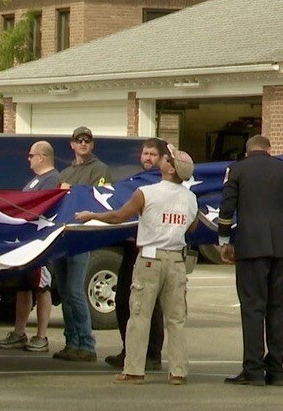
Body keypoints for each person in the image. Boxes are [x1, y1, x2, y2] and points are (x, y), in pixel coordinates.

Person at [75, 142, 199, 385]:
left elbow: (119, 216)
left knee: (140, 314)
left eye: (167, 158)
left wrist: (92, 215)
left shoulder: (147, 193)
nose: (162, 159)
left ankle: (133, 370)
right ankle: (178, 372)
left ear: (170, 169)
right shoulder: (191, 197)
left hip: (150, 259)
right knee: (176, 318)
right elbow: (192, 226)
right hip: (176, 259)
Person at [216, 134, 283, 387]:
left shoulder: (237, 170)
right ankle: (276, 370)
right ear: (268, 149)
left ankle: (253, 369)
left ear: (247, 150)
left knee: (253, 308)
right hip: (281, 247)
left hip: (251, 246)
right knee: (278, 309)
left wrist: (223, 241)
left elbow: (227, 207)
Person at [0, 141, 59, 353]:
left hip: (41, 244)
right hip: (24, 243)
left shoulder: (52, 179)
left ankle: (41, 336)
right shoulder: (34, 181)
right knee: (22, 287)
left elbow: (45, 208)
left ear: (42, 157)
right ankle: (19, 332)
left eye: (31, 155)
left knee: (41, 287)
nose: (28, 159)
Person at [106, 138, 165, 371]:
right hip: (132, 247)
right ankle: (129, 349)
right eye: (145, 154)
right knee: (123, 300)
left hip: (155, 249)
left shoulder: (166, 183)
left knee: (151, 303)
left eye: (152, 154)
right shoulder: (134, 184)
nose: (147, 158)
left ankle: (151, 355)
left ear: (162, 158)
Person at [53, 126, 111, 363]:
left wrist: (73, 190)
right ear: (72, 144)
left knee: (76, 291)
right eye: (79, 140)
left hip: (82, 236)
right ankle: (71, 342)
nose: (84, 144)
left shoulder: (100, 169)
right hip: (62, 236)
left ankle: (86, 344)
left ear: (92, 145)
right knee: (65, 292)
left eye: (87, 140)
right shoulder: (64, 173)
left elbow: (98, 197)